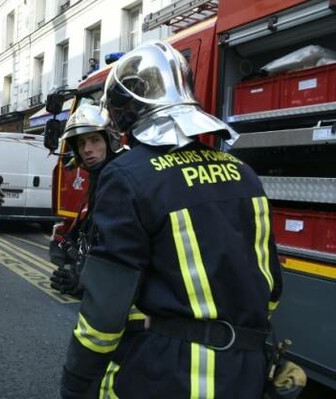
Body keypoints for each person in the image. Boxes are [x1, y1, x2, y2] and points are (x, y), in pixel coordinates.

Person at [60, 41, 283, 399]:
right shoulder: (244, 173)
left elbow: (105, 311)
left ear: (125, 113)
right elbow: (270, 289)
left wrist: (76, 378)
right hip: (245, 373)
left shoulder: (127, 176)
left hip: (169, 374)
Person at [49, 103, 124, 298]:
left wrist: (83, 280)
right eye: (81, 144)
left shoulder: (121, 181)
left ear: (111, 141)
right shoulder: (101, 176)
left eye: (94, 140)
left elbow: (119, 253)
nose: (87, 149)